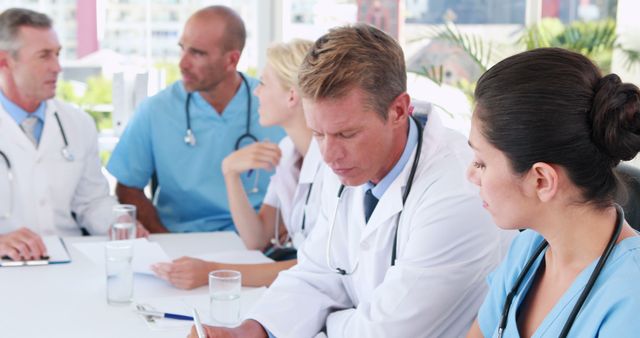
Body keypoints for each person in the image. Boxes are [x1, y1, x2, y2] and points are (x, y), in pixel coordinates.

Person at [189, 24, 511, 338]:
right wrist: (255, 330)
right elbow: (318, 272)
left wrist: (320, 324)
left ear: (399, 109)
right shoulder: (346, 165)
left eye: (347, 133)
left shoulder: (458, 190)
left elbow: (384, 332)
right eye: (318, 134)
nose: (329, 156)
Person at [465, 48, 640, 337]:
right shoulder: (528, 250)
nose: (471, 175)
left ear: (542, 180)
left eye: (481, 163)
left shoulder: (630, 299)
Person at [151, 39, 323, 288]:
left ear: (292, 96)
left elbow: (317, 269)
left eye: (263, 83)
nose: (256, 92)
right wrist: (230, 173)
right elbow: (257, 238)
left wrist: (213, 273)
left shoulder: (335, 166)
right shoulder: (288, 150)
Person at [106, 6, 284, 233]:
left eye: (197, 53)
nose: (182, 63)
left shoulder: (274, 103)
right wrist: (166, 240)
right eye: (182, 49)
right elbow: (128, 187)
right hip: (183, 241)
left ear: (232, 60)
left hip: (262, 242)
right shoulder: (156, 110)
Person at [0, 8, 147, 260]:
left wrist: (119, 222)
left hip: (70, 258)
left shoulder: (78, 123)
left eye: (57, 54)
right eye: (44, 56)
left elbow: (91, 201)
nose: (57, 67)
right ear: (5, 61)